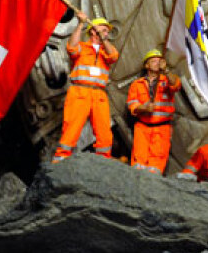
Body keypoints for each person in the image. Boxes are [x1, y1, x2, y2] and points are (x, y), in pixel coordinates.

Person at [54, 17, 119, 162]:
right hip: (79, 92)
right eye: (103, 30)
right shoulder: (82, 47)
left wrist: (104, 39)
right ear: (93, 32)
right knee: (71, 128)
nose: (106, 33)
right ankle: (60, 159)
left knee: (104, 132)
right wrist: (81, 23)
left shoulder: (106, 50)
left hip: (99, 95)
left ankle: (104, 161)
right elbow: (71, 47)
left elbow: (113, 56)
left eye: (107, 31)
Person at [126, 49, 182, 174]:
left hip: (162, 129)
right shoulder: (137, 84)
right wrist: (143, 108)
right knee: (138, 163)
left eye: (159, 61)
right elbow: (132, 104)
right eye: (154, 61)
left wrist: (166, 70)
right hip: (142, 127)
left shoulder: (167, 80)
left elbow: (176, 85)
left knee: (155, 166)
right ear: (147, 65)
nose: (157, 63)